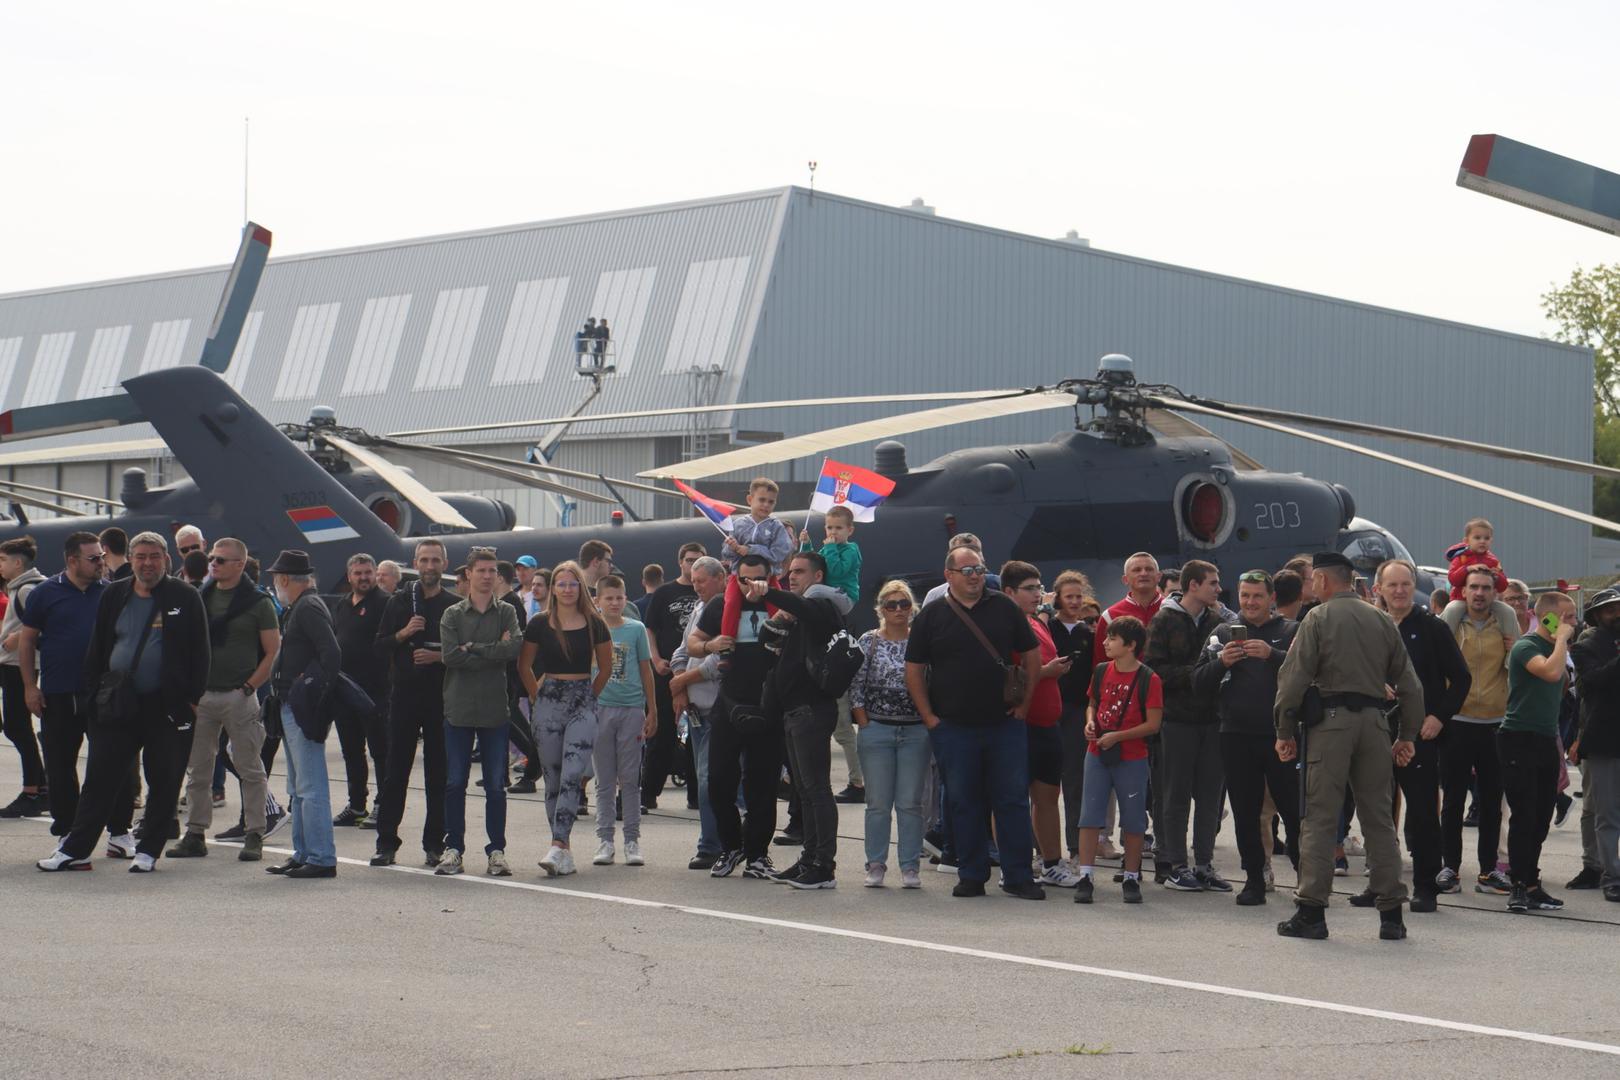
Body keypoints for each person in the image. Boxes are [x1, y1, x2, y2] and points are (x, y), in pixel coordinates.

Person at [1273, 551, 1424, 941]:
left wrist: (1284, 730)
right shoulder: (1381, 619)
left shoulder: (1318, 618)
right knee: (1379, 818)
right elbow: (1410, 685)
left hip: (1331, 724)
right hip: (1375, 725)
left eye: (1313, 580)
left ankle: (1312, 912)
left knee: (1321, 817)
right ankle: (1391, 914)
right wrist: (1407, 735)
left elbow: (1292, 679)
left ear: (1323, 581)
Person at [37, 532, 209, 874]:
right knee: (100, 778)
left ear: (166, 559)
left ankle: (148, 850)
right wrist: (92, 696)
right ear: (130, 559)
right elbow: (98, 647)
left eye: (154, 556)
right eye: (141, 556)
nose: (148, 563)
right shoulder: (115, 593)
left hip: (167, 707)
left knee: (163, 779)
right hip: (117, 704)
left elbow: (200, 652)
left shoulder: (185, 596)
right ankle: (76, 850)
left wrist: (191, 700)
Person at [905, 544, 1044, 900]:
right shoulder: (931, 616)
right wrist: (929, 717)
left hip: (1004, 724)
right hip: (953, 727)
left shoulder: (1004, 608)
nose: (975, 576)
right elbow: (914, 669)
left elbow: (1031, 654)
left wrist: (1025, 704)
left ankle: (1017, 876)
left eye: (979, 570)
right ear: (949, 575)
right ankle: (971, 873)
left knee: (1011, 800)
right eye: (967, 571)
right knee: (963, 801)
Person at [1349, 559, 1471, 914]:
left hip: (1418, 734)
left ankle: (1425, 887)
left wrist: (1438, 717)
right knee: (1376, 812)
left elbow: (1461, 678)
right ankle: (1381, 884)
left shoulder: (1431, 628)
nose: (1399, 591)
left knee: (1421, 813)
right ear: (1379, 590)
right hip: (1374, 731)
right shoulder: (1370, 625)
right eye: (1392, 585)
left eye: (1405, 584)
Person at [167, 538, 278, 863]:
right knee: (198, 770)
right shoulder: (199, 598)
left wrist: (248, 687)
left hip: (238, 697)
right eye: (212, 558)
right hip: (202, 697)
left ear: (240, 565)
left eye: (221, 560)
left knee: (250, 768)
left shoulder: (258, 602)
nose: (212, 563)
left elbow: (272, 650)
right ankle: (196, 833)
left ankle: (255, 833)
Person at [1193, 569, 1299, 905]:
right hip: (1236, 734)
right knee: (1245, 810)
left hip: (1281, 735)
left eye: (1257, 596)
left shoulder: (1290, 630)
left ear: (1271, 599)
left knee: (1295, 811)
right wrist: (1221, 662)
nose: (1250, 602)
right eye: (1244, 596)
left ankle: (1308, 878)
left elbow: (1308, 676)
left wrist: (1273, 655)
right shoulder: (1223, 632)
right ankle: (1254, 878)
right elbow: (1198, 683)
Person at [747, 550, 845, 889]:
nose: (792, 576)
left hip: (811, 712)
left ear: (818, 577)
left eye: (800, 572)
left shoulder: (822, 606)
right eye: (789, 571)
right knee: (804, 791)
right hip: (791, 712)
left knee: (817, 789)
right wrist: (782, 616)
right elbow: (766, 642)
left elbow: (803, 607)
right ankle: (808, 859)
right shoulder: (799, 613)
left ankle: (824, 866)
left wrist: (769, 592)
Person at [687, 554, 785, 880]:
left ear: (770, 578)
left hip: (768, 706)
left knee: (762, 785)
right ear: (736, 578)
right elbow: (692, 643)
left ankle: (758, 853)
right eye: (745, 579)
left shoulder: (782, 605)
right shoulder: (720, 604)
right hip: (729, 703)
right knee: (717, 781)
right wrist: (712, 644)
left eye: (759, 579)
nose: (752, 585)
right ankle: (731, 847)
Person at [18, 532, 115, 841]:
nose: (101, 563)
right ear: (72, 561)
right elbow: (27, 639)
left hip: (102, 693)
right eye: (94, 558)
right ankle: (66, 829)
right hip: (58, 693)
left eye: (102, 556)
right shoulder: (44, 593)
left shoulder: (111, 593)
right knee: (60, 766)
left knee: (108, 765)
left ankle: (113, 829)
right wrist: (29, 686)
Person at [1144, 559, 1231, 892]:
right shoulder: (1164, 621)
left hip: (1212, 721)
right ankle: (1175, 865)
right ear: (1193, 585)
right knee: (1173, 795)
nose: (1218, 588)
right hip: (1176, 722)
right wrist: (1197, 674)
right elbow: (1153, 671)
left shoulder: (1218, 621)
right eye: (1212, 582)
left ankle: (1205, 865)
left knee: (1210, 797)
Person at [520, 560, 612, 876]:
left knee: (573, 774)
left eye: (573, 584)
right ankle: (564, 850)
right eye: (562, 584)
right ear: (554, 588)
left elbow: (606, 667)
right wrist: (536, 695)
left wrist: (589, 696)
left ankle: (557, 845)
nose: (568, 589)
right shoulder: (539, 623)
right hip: (548, 701)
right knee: (554, 780)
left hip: (582, 699)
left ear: (580, 588)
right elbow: (524, 665)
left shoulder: (595, 622)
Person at [369, 540, 457, 868]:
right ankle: (386, 843)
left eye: (436, 560)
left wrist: (439, 657)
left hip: (440, 700)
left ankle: (434, 843)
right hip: (404, 698)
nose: (430, 566)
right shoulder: (400, 602)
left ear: (444, 564)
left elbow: (464, 653)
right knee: (395, 774)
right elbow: (378, 647)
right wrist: (404, 633)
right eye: (424, 560)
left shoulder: (453, 605)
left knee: (438, 775)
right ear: (415, 563)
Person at [437, 548, 523, 878]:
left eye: (492, 571)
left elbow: (513, 648)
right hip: (458, 708)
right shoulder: (453, 615)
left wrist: (472, 647)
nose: (487, 576)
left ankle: (496, 851)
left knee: (495, 787)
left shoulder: (506, 614)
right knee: (455, 782)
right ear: (469, 574)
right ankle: (454, 848)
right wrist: (492, 652)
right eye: (481, 570)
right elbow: (450, 657)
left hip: (494, 710)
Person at [1000, 561, 1081, 888]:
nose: (1038, 594)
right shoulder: (1005, 626)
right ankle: (1011, 865)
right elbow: (1006, 672)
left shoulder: (1037, 623)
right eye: (1030, 589)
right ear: (1009, 593)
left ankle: (1051, 864)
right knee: (1011, 799)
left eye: (1038, 587)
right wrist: (1047, 672)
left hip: (1048, 724)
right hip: (1020, 724)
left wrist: (1050, 670)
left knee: (1047, 797)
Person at [262, 549, 342, 879]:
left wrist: (308, 689)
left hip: (300, 707)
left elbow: (332, 654)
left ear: (283, 580)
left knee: (310, 786)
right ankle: (304, 853)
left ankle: (321, 857)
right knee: (298, 787)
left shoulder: (307, 607)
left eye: (275, 579)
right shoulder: (300, 607)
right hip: (290, 705)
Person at [1437, 565, 1516, 895]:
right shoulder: (1453, 622)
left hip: (1494, 723)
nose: (1480, 593)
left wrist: (1514, 647)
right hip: (1458, 721)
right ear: (1464, 591)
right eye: (1474, 587)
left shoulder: (1504, 623)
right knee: (1453, 800)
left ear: (1494, 592)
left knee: (1491, 802)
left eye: (1486, 587)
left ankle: (1488, 871)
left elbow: (1515, 669)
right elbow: (1437, 665)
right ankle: (1450, 868)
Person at [1074, 616, 1161, 905]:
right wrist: (1090, 723)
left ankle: (1131, 876)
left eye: (1112, 638)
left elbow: (1153, 724)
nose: (1105, 642)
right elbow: (1093, 704)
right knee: (1089, 816)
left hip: (1131, 756)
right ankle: (1085, 875)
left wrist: (1118, 736)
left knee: (1134, 819)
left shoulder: (1149, 678)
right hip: (1097, 751)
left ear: (1131, 645)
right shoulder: (1101, 671)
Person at [1498, 591, 1576, 913]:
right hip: (1519, 737)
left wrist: (1562, 644)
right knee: (1524, 815)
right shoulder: (1526, 646)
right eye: (1567, 617)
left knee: (1543, 816)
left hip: (1546, 738)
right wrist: (1561, 641)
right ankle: (1518, 884)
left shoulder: (1557, 650)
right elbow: (1551, 673)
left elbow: (1566, 680)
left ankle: (1531, 882)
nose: (1573, 623)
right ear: (1548, 617)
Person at [851, 580, 928, 889]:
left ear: (913, 608)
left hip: (915, 730)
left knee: (910, 802)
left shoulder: (921, 641)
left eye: (904, 604)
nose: (898, 610)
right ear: (880, 609)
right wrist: (862, 719)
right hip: (877, 728)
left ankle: (910, 866)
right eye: (891, 605)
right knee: (878, 802)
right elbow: (855, 683)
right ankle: (876, 863)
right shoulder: (869, 641)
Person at [590, 575, 657, 866]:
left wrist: (652, 709)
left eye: (619, 598)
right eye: (609, 598)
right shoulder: (591, 630)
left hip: (631, 710)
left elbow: (646, 670)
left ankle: (632, 840)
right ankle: (605, 840)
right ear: (598, 601)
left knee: (630, 780)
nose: (615, 603)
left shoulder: (636, 629)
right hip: (599, 710)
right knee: (604, 781)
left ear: (626, 599)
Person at [798, 506, 863, 802]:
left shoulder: (850, 550)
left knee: (810, 592)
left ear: (849, 530)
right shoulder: (829, 546)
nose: (832, 533)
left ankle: (858, 780)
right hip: (830, 596)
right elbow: (817, 564)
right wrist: (808, 546)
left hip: (844, 598)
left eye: (838, 528)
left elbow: (832, 571)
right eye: (829, 528)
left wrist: (831, 547)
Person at [668, 556, 727, 868]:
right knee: (707, 780)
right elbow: (681, 649)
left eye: (701, 580)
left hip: (717, 709)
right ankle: (714, 841)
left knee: (709, 781)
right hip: (696, 711)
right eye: (693, 580)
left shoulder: (725, 610)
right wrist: (680, 687)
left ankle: (712, 846)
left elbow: (719, 662)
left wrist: (682, 680)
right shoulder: (699, 608)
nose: (696, 586)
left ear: (721, 578)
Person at [645, 543, 706, 811]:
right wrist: (656, 659)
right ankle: (648, 793)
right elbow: (649, 630)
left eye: (699, 560)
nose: (693, 564)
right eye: (689, 559)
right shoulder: (664, 593)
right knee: (663, 735)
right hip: (666, 673)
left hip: (697, 675)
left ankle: (696, 796)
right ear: (680, 562)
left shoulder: (707, 594)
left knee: (698, 735)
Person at [330, 553, 390, 826]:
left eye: (368, 572)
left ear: (375, 573)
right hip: (345, 691)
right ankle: (357, 805)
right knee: (352, 751)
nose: (364, 577)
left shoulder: (386, 604)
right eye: (358, 573)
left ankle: (383, 805)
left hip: (376, 692)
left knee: (381, 752)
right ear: (349, 575)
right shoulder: (343, 605)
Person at [1046, 571, 1099, 866]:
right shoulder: (1046, 629)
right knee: (1045, 783)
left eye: (1079, 596)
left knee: (1076, 781)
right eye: (1070, 597)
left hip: (1077, 710)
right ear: (1057, 598)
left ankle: (1076, 846)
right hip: (1049, 709)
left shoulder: (1086, 634)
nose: (1075, 602)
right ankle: (1043, 848)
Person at [1570, 588, 1620, 901]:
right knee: (1606, 814)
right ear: (1597, 616)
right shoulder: (1586, 645)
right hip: (1604, 739)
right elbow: (1587, 685)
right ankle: (1610, 876)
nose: (1616, 614)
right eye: (1610, 610)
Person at [0, 536, 48, 818]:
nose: (0, 565)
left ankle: (33, 790)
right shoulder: (21, 587)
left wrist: (18, 637)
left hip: (21, 666)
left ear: (18, 563)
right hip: (13, 664)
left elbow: (45, 624)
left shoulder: (26, 591)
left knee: (17, 728)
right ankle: (40, 787)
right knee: (16, 728)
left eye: (4, 560)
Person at [719, 478, 795, 575]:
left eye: (771, 502)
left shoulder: (776, 526)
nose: (766, 505)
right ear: (750, 499)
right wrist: (732, 548)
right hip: (739, 578)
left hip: (767, 578)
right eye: (762, 500)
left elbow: (779, 554)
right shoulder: (738, 525)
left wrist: (751, 550)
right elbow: (727, 555)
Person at [921, 533, 1003, 606]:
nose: (973, 576)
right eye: (966, 570)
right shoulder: (935, 596)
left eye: (974, 550)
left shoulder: (999, 585)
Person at [1446, 517, 1510, 601]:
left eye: (1486, 538)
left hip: (1486, 602)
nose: (1482, 541)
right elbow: (1452, 580)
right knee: (1452, 610)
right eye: (1477, 538)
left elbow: (1503, 587)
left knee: (1507, 611)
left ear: (1491, 541)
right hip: (1461, 599)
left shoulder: (1493, 561)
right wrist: (1467, 569)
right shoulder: (1461, 557)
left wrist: (1497, 576)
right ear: (1466, 541)